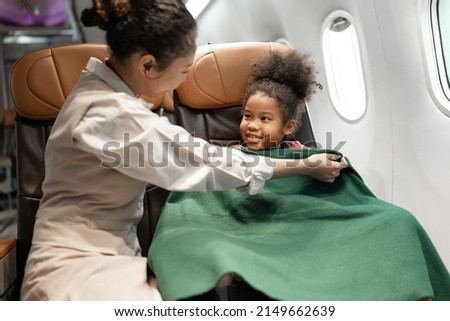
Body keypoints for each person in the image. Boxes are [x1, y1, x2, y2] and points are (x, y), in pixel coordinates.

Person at [20, 0, 345, 301]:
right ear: (148, 65)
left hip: (107, 253)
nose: (182, 82)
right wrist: (303, 166)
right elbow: (204, 161)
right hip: (75, 268)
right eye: (184, 70)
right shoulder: (109, 115)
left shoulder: (105, 93)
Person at [148, 48, 450, 301]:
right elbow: (211, 191)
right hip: (252, 227)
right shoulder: (229, 156)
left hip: (306, 223)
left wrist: (327, 163)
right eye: (247, 116)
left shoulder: (303, 151)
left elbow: (336, 191)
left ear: (288, 127)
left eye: (265, 119)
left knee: (398, 220)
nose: (251, 125)